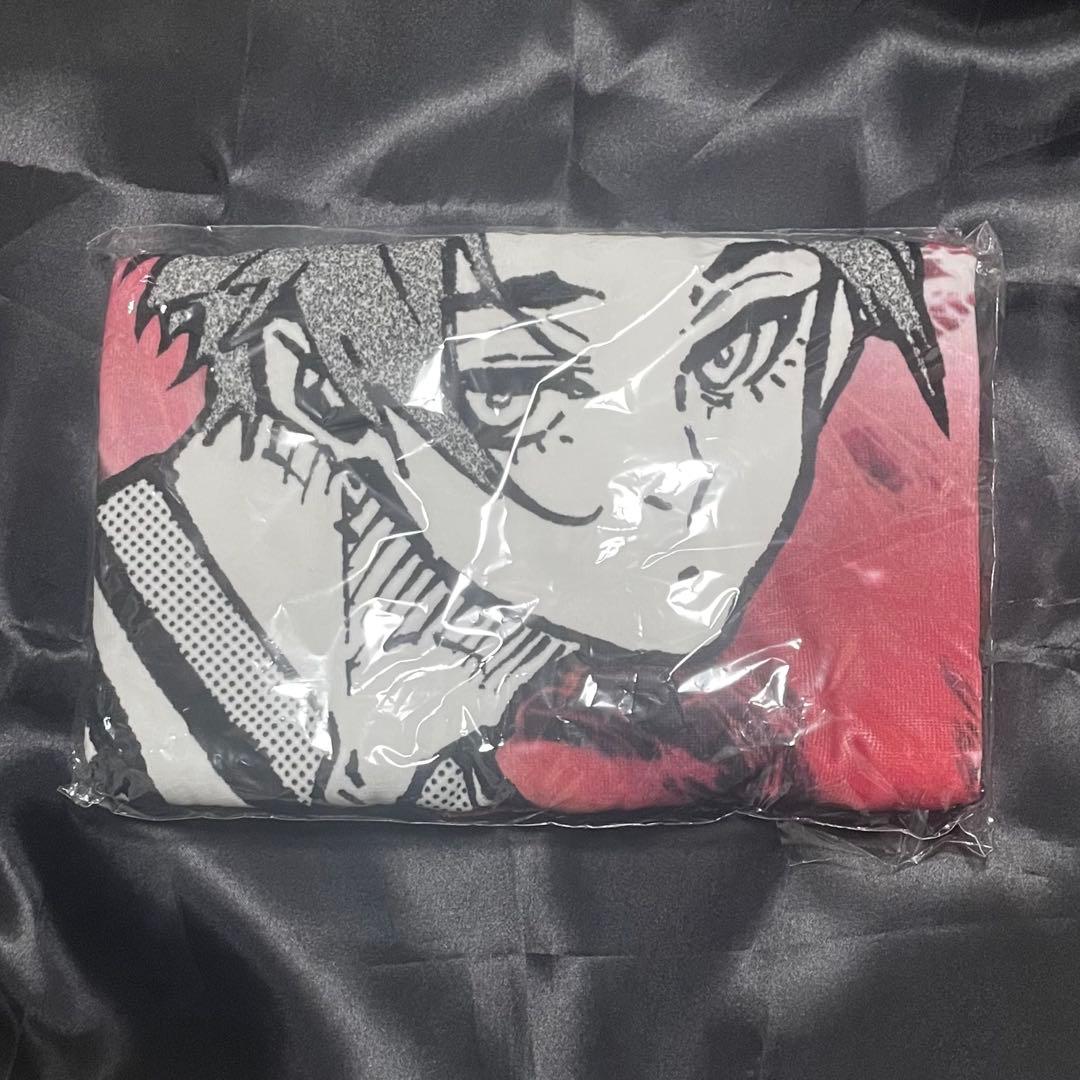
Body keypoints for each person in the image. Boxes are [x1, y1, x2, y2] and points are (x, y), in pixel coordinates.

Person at [87, 232, 944, 814]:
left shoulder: (501, 698)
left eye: (743, 344)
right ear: (312, 387)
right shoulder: (160, 695)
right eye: (520, 390)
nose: (675, 479)